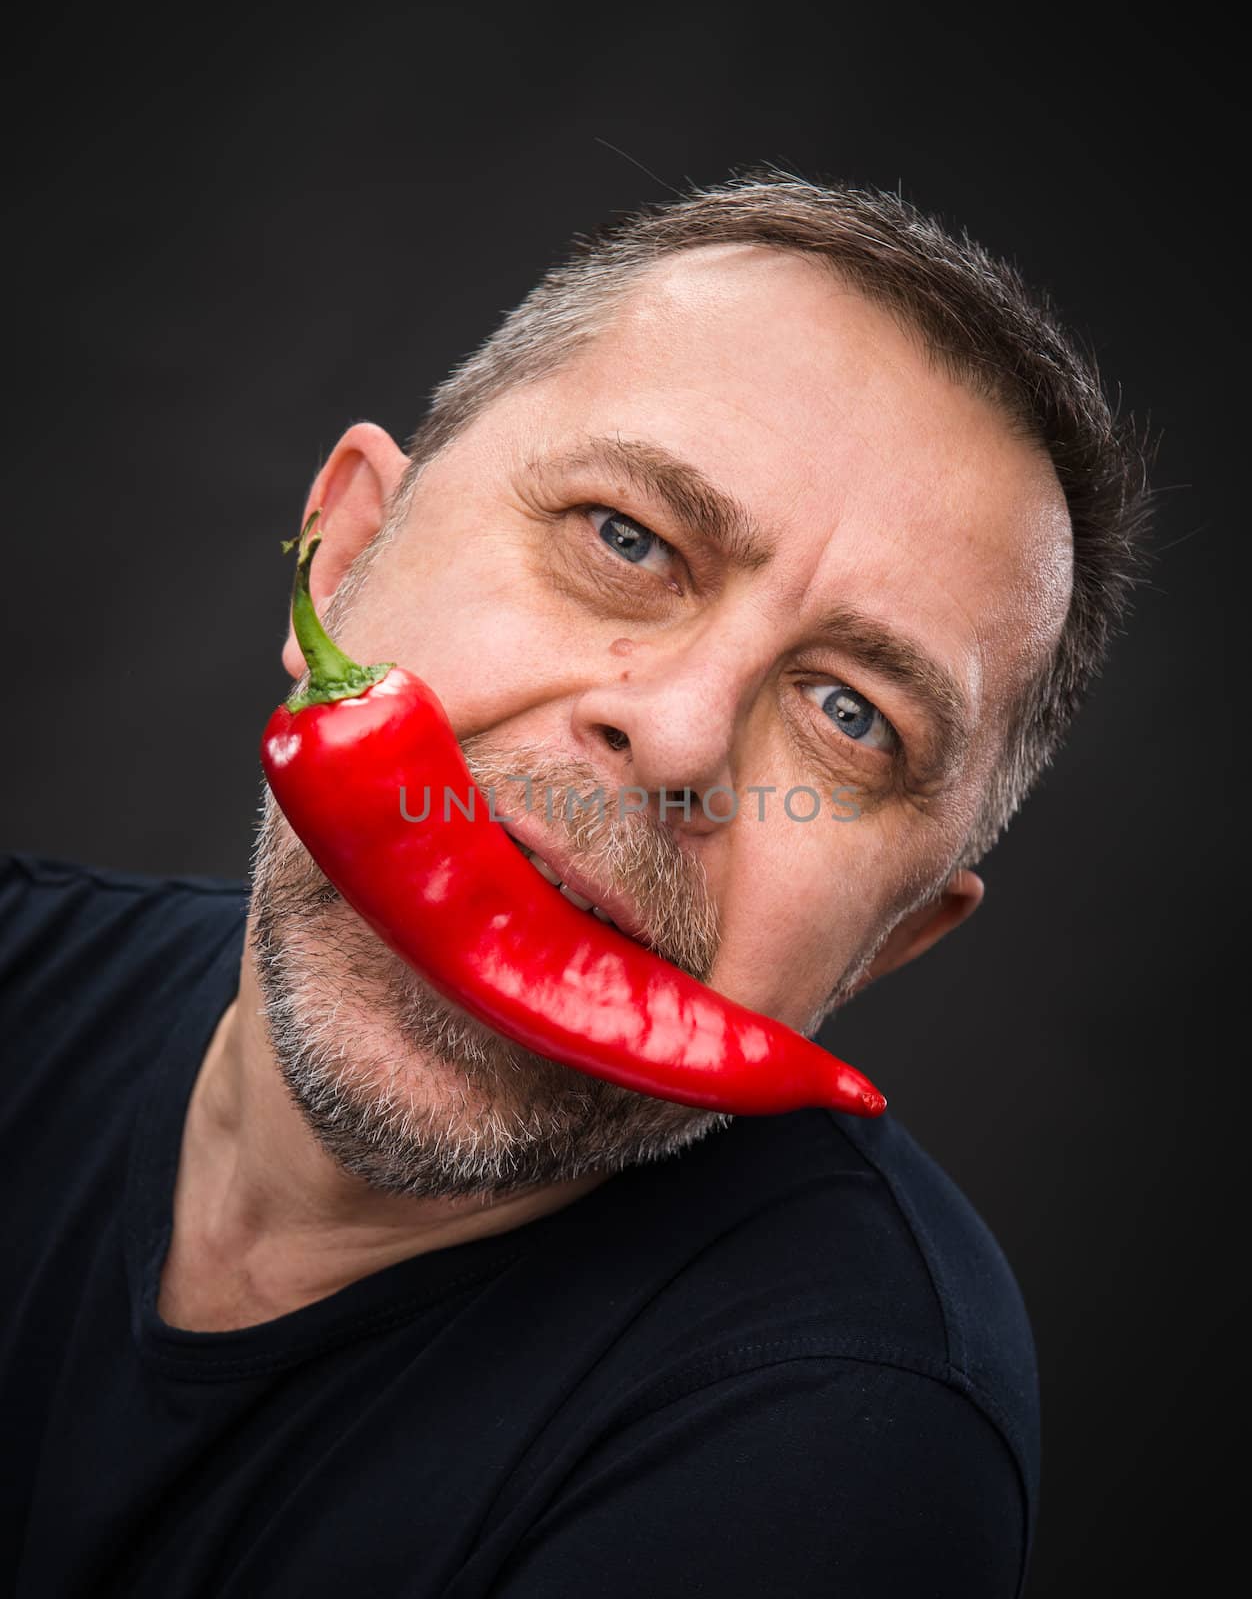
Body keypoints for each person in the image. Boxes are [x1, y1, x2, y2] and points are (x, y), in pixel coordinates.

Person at [1, 167, 1153, 1598]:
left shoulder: (834, 1438)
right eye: (627, 538)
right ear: (348, 554)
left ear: (891, 946)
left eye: (854, 714)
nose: (676, 735)